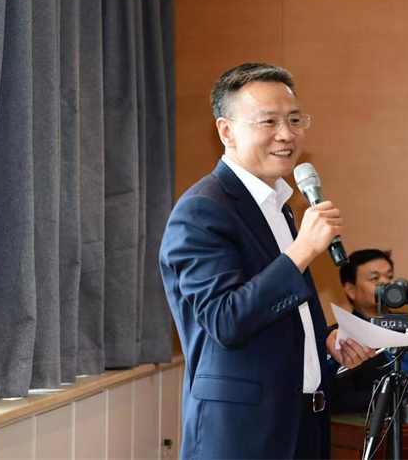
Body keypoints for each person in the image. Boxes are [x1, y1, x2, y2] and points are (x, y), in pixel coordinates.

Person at [160, 63, 374, 460]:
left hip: (303, 427)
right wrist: (302, 251)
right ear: (226, 131)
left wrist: (324, 342)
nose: (287, 134)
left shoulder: (277, 206)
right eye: (269, 121)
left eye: (294, 119)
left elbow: (276, 315)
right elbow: (225, 320)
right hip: (243, 437)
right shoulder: (203, 209)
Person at [330, 249, 408, 414]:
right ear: (351, 290)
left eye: (389, 277)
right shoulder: (340, 335)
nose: (386, 284)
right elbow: (342, 400)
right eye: (375, 279)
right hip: (374, 425)